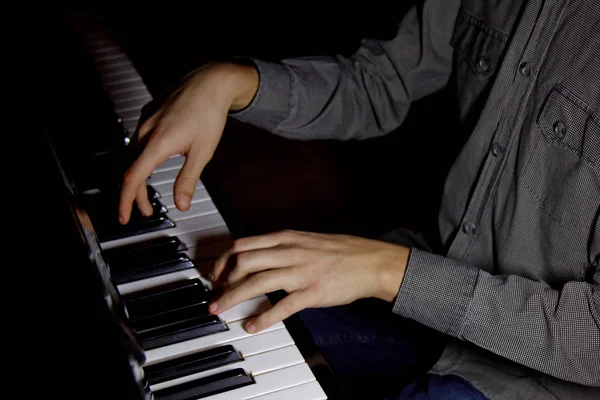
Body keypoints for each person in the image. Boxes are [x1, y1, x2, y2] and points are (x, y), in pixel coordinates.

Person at [117, 0, 599, 398]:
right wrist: (229, 83)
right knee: (208, 316)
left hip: (543, 378)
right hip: (432, 285)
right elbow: (379, 83)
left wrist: (387, 270)